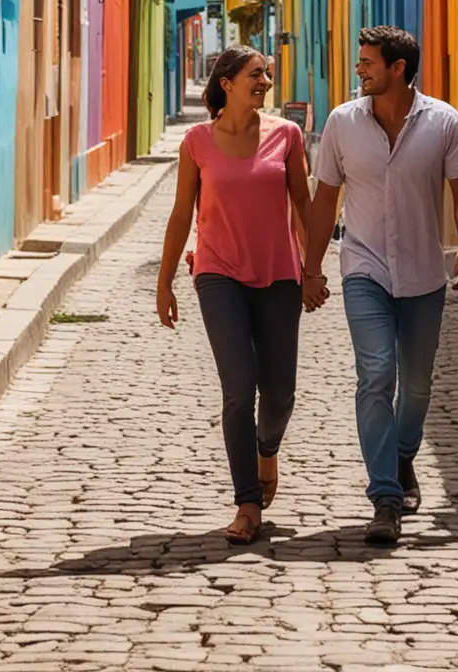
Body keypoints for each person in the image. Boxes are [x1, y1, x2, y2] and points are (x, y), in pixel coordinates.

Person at [302, 26, 458, 547]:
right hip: (364, 269)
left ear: (398, 68)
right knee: (376, 374)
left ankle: (402, 457)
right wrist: (311, 268)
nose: (359, 69)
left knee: (417, 385)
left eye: (367, 62)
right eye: (360, 62)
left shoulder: (444, 122)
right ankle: (384, 496)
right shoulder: (342, 123)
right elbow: (323, 198)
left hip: (424, 273)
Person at [156, 45, 314, 544]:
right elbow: (183, 213)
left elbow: (303, 207)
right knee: (238, 388)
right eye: (255, 73)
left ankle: (268, 450)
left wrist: (312, 271)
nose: (265, 80)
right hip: (218, 273)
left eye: (267, 73)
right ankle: (247, 502)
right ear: (227, 82)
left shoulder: (287, 136)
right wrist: (165, 280)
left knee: (281, 393)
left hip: (280, 275)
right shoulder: (197, 142)